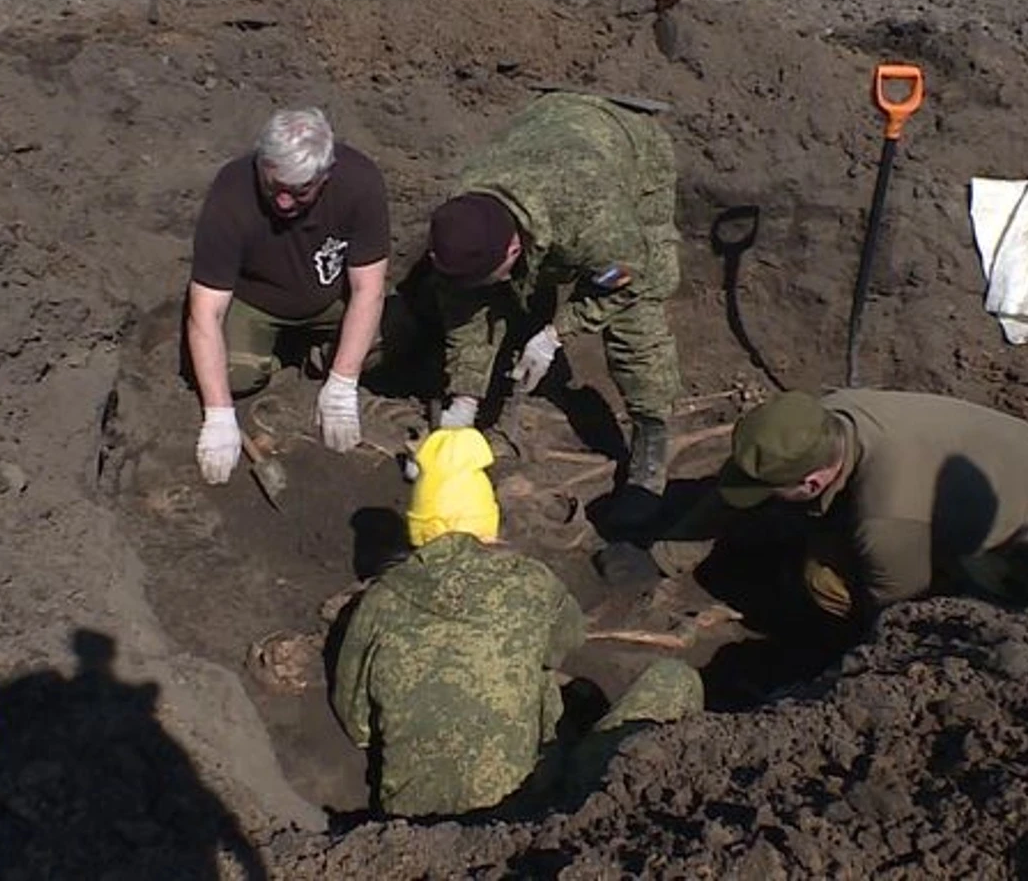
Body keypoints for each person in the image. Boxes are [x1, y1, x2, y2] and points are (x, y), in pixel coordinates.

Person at [330, 427, 702, 819]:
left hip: (409, 826)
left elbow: (358, 726)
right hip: (530, 817)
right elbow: (567, 642)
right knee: (673, 680)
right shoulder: (531, 582)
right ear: (487, 518)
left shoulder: (380, 600)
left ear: (419, 526)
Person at [633, 389, 1028, 620]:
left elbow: (899, 611)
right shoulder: (827, 413)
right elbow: (735, 491)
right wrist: (665, 554)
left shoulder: (888, 518)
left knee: (824, 579)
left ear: (814, 480)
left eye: (770, 489)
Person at [423, 91, 683, 504]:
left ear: (512, 249)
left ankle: (652, 431)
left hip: (631, 151)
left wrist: (556, 333)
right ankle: (502, 402)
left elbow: (628, 276)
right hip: (549, 124)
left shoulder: (593, 215)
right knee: (508, 296)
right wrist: (463, 401)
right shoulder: (465, 209)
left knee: (638, 318)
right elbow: (466, 308)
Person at [186, 108, 390, 485]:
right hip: (257, 302)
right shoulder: (231, 194)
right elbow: (205, 313)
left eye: (299, 192)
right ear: (262, 163)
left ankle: (321, 362)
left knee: (384, 343)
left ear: (325, 177)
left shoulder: (360, 184)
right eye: (273, 187)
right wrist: (218, 414)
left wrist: (343, 384)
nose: (283, 203)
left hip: (330, 299)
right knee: (234, 375)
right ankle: (275, 360)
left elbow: (369, 289)